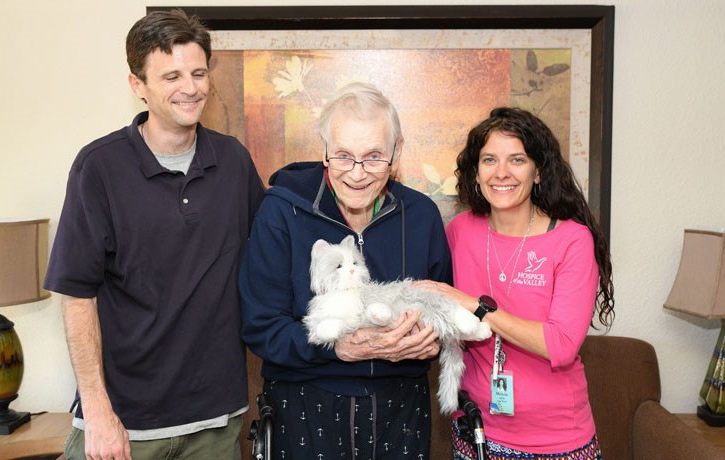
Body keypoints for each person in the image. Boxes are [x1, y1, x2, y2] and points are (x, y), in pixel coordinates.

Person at [43, 9, 264, 460]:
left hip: (216, 422)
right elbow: (77, 296)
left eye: (199, 72)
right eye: (172, 76)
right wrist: (99, 413)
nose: (191, 88)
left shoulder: (234, 162)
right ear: (137, 85)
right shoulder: (98, 168)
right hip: (124, 426)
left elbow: (272, 256)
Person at [239, 82, 451, 459]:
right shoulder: (281, 212)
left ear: (397, 152)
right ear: (324, 151)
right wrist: (337, 348)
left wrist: (431, 340)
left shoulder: (421, 216)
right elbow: (260, 326)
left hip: (400, 407)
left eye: (373, 157)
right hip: (305, 404)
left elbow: (440, 308)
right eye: (342, 156)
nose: (357, 174)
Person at [417, 107, 613, 459]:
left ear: (538, 171)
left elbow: (561, 344)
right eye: (489, 159)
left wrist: (476, 306)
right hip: (475, 432)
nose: (501, 173)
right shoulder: (459, 232)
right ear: (476, 173)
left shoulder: (571, 239)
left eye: (517, 160)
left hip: (556, 443)